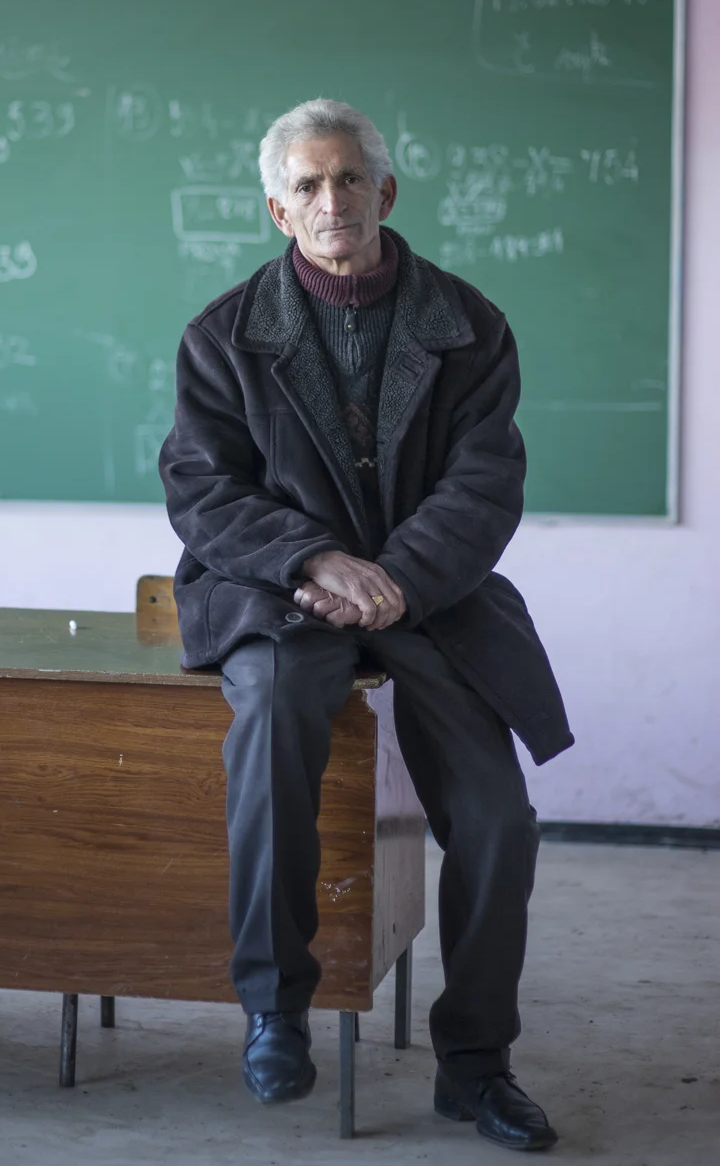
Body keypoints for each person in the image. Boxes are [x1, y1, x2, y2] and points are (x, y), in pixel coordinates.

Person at [159, 99, 573, 1152]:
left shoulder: (470, 325)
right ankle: (274, 1009)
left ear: (385, 192)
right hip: (275, 591)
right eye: (306, 185)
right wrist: (311, 560)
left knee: (495, 820)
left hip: (425, 595)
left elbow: (485, 486)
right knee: (270, 736)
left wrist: (393, 575)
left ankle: (475, 1067)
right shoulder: (220, 334)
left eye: (348, 180)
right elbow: (203, 490)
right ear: (275, 208)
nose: (329, 200)